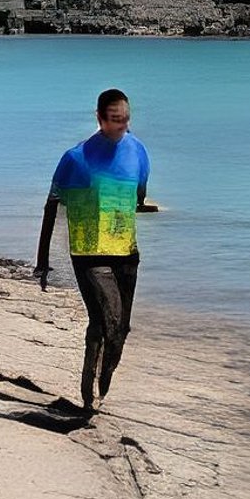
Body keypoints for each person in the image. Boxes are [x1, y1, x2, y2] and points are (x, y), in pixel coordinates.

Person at [32, 87, 155, 415]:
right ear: (99, 118)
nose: (121, 126)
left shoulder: (138, 151)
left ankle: (99, 385)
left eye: (125, 119)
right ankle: (91, 396)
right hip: (88, 253)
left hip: (126, 252)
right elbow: (51, 205)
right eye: (114, 119)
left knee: (120, 328)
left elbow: (139, 195)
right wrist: (43, 260)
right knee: (107, 319)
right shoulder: (76, 158)